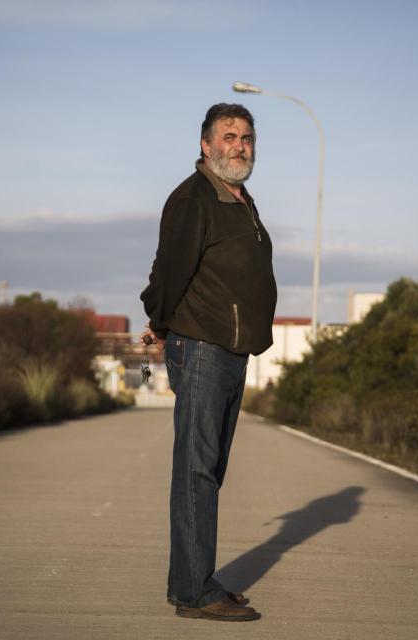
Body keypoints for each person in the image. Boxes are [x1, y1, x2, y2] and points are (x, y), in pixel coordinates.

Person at [140, 103, 277, 622]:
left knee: (209, 469)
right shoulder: (194, 198)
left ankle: (195, 577)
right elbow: (170, 268)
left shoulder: (238, 198)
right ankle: (194, 593)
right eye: (229, 136)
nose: (239, 145)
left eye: (246, 137)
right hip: (200, 347)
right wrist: (161, 318)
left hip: (229, 349)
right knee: (197, 469)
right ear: (205, 145)